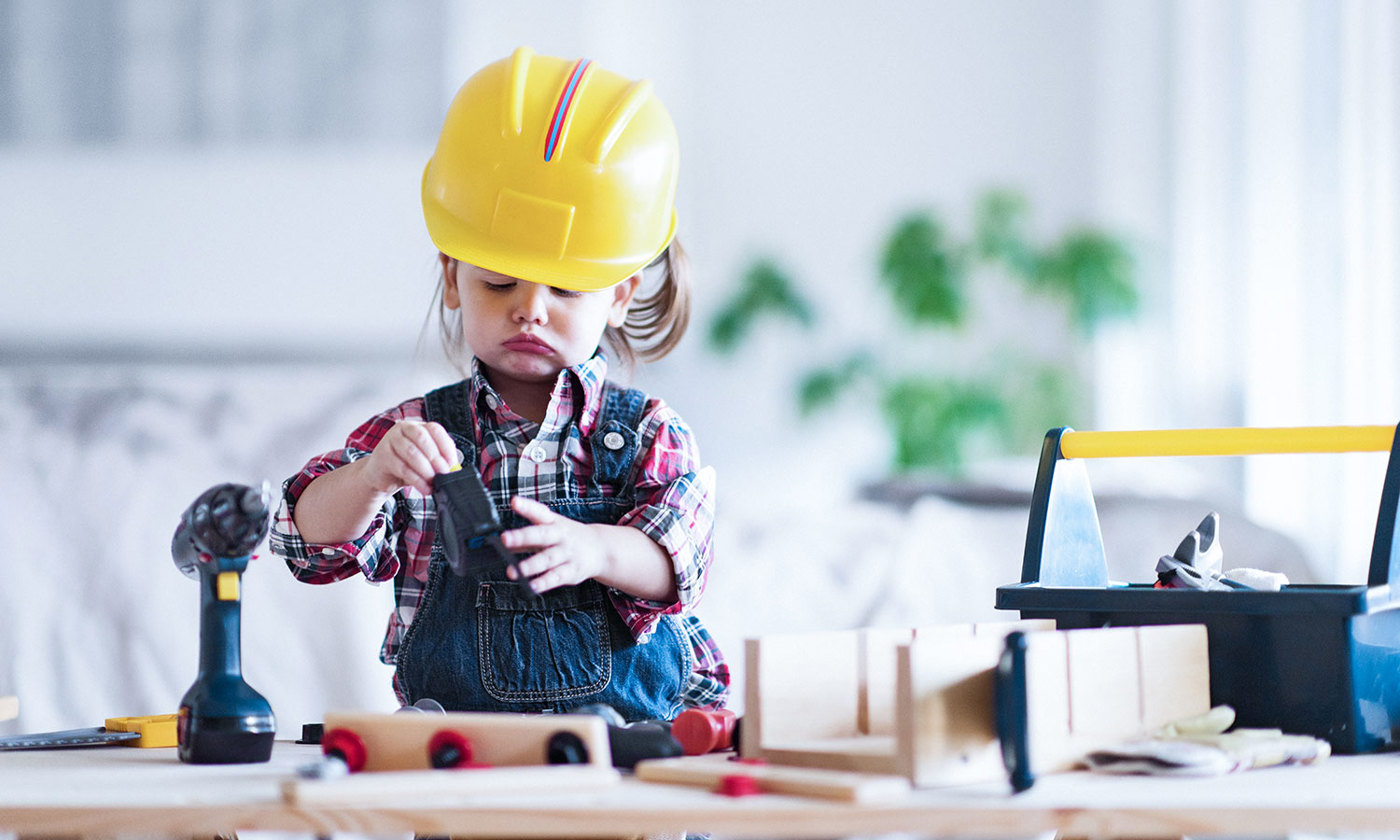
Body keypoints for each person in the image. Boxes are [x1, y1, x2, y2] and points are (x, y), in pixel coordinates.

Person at [269, 47, 727, 721]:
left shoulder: (650, 435)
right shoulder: (413, 435)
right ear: (453, 277)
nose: (531, 308)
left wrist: (594, 549)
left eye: (566, 287)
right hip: (463, 757)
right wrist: (371, 477)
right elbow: (304, 543)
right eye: (498, 281)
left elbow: (676, 563)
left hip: (626, 758)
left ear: (621, 295)